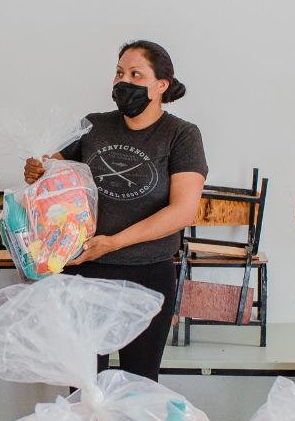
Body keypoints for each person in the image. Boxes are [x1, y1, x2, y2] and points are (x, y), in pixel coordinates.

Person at [24, 40, 207, 381]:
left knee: (138, 385)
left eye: (136, 74)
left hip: (147, 276)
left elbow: (183, 211)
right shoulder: (92, 126)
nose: (124, 81)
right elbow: (53, 177)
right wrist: (38, 171)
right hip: (83, 272)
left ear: (161, 85)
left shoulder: (181, 135)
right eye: (120, 73)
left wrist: (114, 242)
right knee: (83, 385)